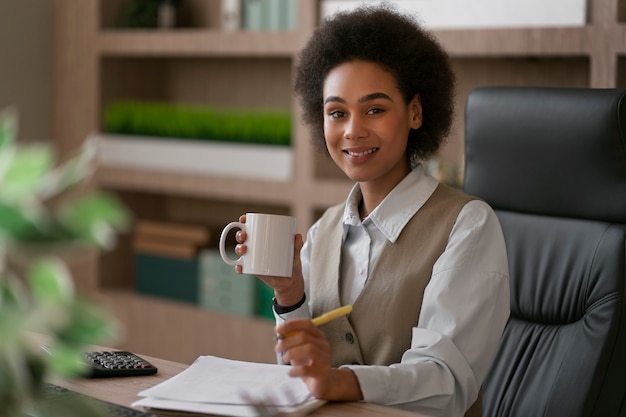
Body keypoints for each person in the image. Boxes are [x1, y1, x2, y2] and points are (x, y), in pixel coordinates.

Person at [232, 4, 510, 417]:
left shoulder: (467, 225)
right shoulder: (324, 229)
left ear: (415, 111)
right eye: (337, 112)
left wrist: (340, 381)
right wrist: (289, 295)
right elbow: (299, 378)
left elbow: (446, 382)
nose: (353, 130)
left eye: (375, 109)